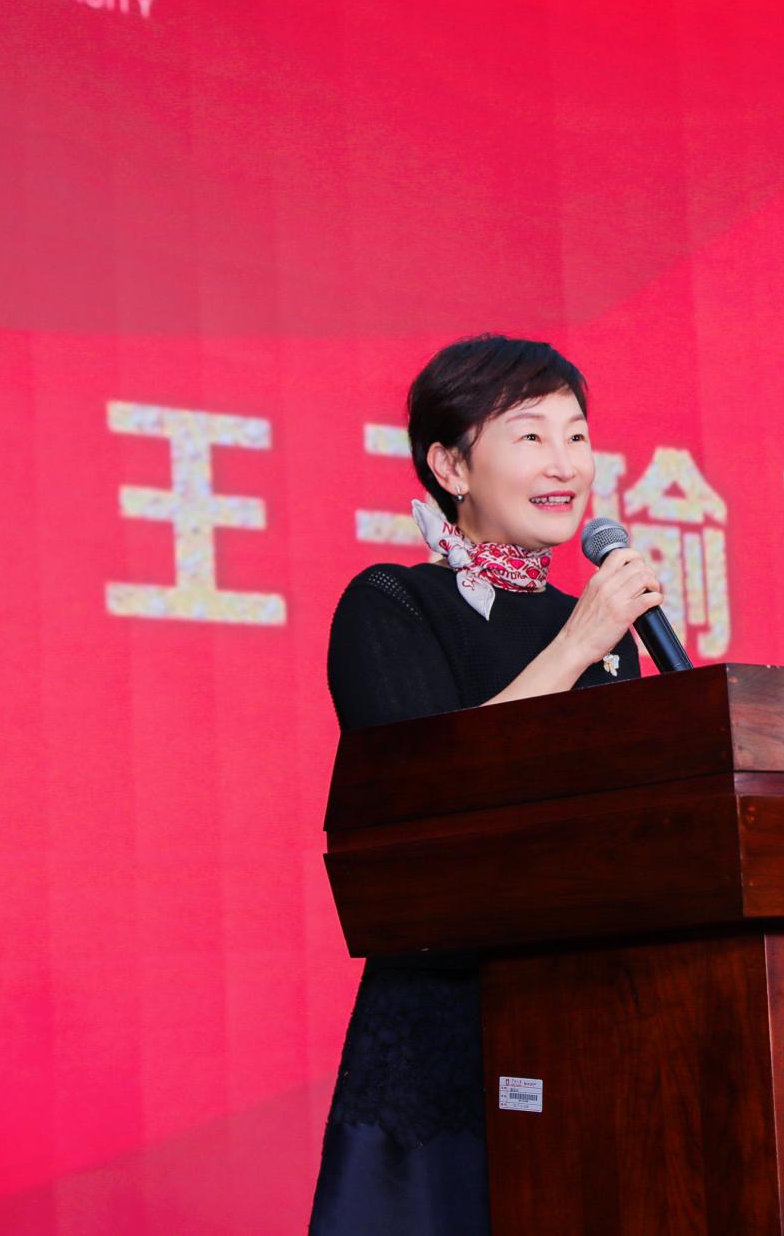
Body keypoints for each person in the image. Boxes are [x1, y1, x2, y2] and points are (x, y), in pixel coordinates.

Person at [308, 334, 662, 1235]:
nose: (565, 463)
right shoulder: (392, 602)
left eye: (577, 436)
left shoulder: (595, 628)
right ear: (451, 465)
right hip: (445, 1019)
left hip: (580, 1012)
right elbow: (432, 786)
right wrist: (578, 645)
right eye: (531, 435)